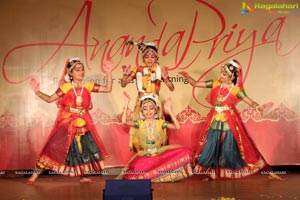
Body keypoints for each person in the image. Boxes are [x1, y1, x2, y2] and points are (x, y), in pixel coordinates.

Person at [179, 59, 284, 181]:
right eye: (221, 73)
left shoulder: (236, 90)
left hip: (229, 121)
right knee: (211, 147)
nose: (220, 76)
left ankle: (268, 172)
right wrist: (187, 77)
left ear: (232, 76)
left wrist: (258, 107)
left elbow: (250, 101)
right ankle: (211, 174)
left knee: (233, 149)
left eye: (224, 74)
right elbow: (196, 84)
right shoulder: (216, 83)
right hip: (214, 119)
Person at [26, 57, 113, 184]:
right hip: (67, 124)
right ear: (70, 73)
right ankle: (33, 176)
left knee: (84, 150)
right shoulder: (66, 87)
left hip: (83, 124)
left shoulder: (88, 86)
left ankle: (83, 177)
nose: (81, 72)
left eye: (82, 69)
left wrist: (109, 73)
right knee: (52, 148)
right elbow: (50, 99)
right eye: (77, 70)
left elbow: (108, 89)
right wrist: (37, 92)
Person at [118, 91, 193, 182]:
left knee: (186, 152)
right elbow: (124, 122)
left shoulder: (160, 122)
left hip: (158, 156)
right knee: (133, 173)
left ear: (156, 110)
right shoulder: (140, 123)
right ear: (142, 111)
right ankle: (155, 176)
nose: (148, 111)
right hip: (145, 156)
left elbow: (177, 126)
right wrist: (126, 103)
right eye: (145, 109)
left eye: (151, 108)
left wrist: (169, 110)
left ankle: (155, 175)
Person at [121, 41, 175, 151]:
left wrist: (166, 78)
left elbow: (172, 88)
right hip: (141, 102)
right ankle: (142, 154)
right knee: (139, 128)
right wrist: (125, 74)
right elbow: (123, 84)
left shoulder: (159, 70)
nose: (149, 59)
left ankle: (156, 153)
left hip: (155, 103)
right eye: (147, 57)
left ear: (156, 58)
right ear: (143, 58)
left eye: (152, 57)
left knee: (157, 128)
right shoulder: (138, 69)